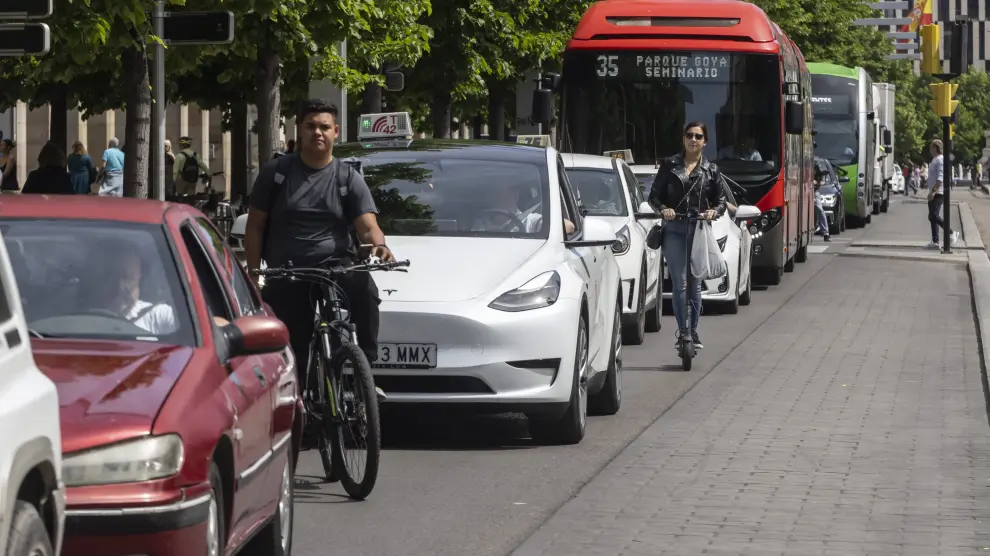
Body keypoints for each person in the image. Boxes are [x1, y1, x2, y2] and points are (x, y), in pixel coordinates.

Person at [244, 98, 393, 397]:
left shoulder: (347, 177)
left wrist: (380, 246)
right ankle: (298, 405)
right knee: (293, 347)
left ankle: (364, 371)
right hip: (287, 271)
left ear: (336, 131)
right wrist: (254, 272)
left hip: (336, 265)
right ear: (299, 130)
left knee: (366, 290)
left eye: (324, 127)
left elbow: (367, 226)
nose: (318, 133)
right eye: (310, 126)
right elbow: (255, 226)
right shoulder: (277, 173)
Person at [649, 121, 726, 350]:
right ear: (683, 139)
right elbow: (654, 197)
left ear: (705, 142)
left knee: (695, 283)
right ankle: (683, 333)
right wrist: (664, 209)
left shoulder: (711, 170)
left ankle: (694, 331)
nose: (694, 140)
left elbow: (722, 201)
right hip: (674, 230)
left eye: (698, 136)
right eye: (689, 135)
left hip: (699, 230)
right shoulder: (669, 165)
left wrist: (714, 211)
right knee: (680, 282)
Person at [84, 240, 178, 335]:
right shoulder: (84, 319)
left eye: (128, 278)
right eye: (112, 277)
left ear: (141, 280)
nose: (119, 286)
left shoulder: (159, 315)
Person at [926, 139, 959, 249]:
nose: (930, 149)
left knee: (934, 215)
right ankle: (935, 241)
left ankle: (951, 232)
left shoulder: (940, 160)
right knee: (931, 216)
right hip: (933, 191)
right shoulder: (934, 159)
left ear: (935, 148)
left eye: (931, 147)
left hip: (938, 192)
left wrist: (933, 192)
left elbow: (940, 179)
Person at [813, 165, 830, 242]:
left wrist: (817, 182)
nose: (813, 172)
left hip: (814, 192)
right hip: (804, 192)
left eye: (815, 170)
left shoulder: (819, 174)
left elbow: (820, 183)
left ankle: (825, 233)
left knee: (820, 210)